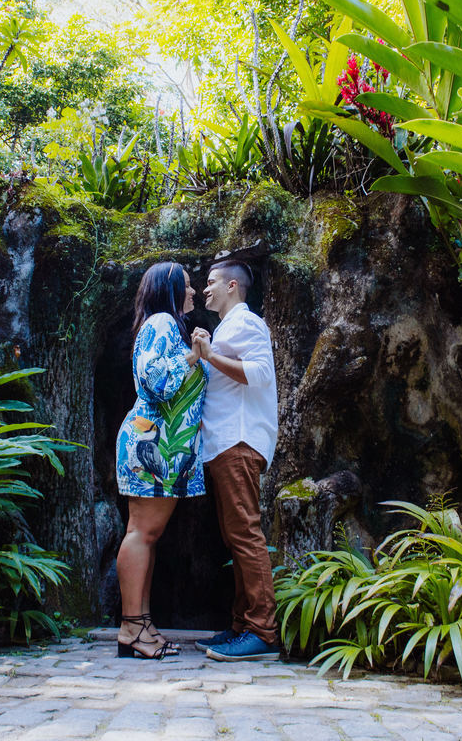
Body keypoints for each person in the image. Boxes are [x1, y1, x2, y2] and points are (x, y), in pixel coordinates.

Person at [114, 261, 210, 659]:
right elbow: (156, 381)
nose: (193, 292)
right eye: (187, 287)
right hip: (152, 443)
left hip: (164, 447)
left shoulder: (169, 327)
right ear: (170, 291)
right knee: (141, 532)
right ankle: (131, 627)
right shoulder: (160, 323)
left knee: (147, 534)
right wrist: (192, 356)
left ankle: (142, 623)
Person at [191, 260, 281, 662]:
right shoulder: (229, 328)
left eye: (210, 283)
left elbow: (260, 374)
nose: (204, 290)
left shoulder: (248, 323)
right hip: (224, 444)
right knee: (236, 537)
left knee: (245, 533)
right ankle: (242, 626)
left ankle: (262, 631)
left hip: (239, 440)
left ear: (232, 285)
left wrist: (209, 354)